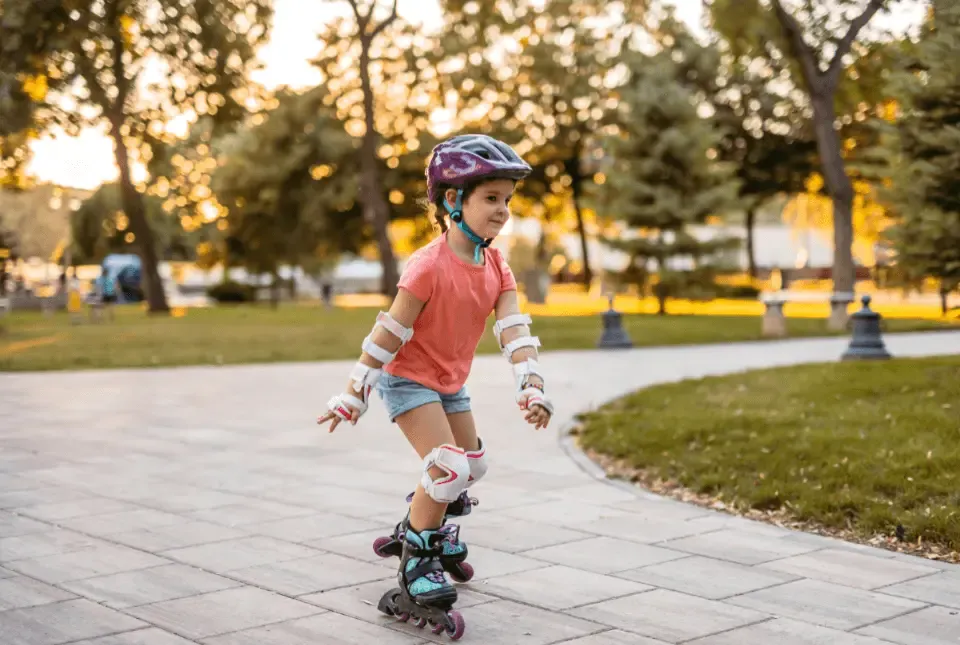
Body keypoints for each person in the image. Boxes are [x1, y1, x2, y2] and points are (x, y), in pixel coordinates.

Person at [316, 134, 554, 637]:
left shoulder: (495, 265)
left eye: (507, 200)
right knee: (446, 469)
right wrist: (354, 392)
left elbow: (514, 328)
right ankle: (415, 568)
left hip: (449, 384)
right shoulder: (427, 265)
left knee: (474, 466)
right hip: (408, 382)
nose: (503, 210)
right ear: (452, 200)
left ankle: (418, 526)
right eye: (491, 198)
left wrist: (530, 384)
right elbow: (389, 332)